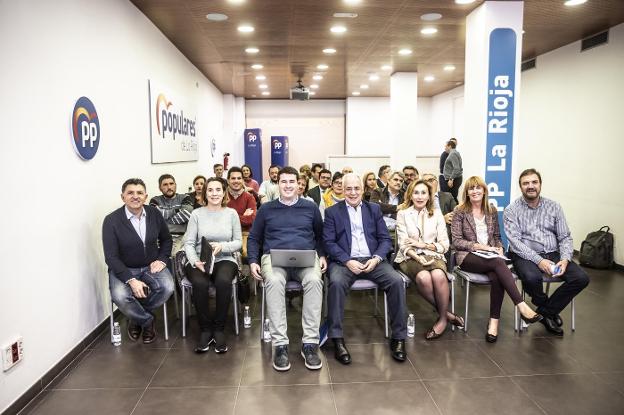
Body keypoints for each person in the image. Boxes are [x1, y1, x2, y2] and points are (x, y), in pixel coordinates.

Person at [247, 166, 327, 372]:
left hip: (306, 259)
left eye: (292, 182)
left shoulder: (310, 208)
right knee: (273, 281)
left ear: (299, 184)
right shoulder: (266, 209)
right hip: (274, 259)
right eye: (284, 182)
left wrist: (323, 255)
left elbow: (320, 236)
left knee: (314, 281)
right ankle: (280, 345)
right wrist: (253, 261)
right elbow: (255, 238)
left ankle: (310, 344)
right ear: (278, 184)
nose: (288, 186)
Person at [323, 173, 407, 364]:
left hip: (373, 259)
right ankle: (337, 339)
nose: (353, 193)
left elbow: (385, 240)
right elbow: (328, 242)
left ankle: (399, 337)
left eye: (356, 188)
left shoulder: (374, 209)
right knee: (335, 283)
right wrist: (347, 260)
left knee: (396, 281)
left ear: (363, 190)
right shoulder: (332, 212)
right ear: (342, 190)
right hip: (345, 261)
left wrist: (377, 258)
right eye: (348, 189)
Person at [451, 176, 543, 342]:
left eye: (478, 188)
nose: (475, 191)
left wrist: (499, 247)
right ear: (467, 192)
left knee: (497, 276)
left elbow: (496, 236)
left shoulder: (491, 210)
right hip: (467, 256)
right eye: (471, 188)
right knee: (498, 264)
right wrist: (481, 247)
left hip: (491, 257)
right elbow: (456, 241)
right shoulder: (460, 211)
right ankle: (522, 306)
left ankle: (493, 323)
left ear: (484, 190)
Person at [504, 168, 589, 336]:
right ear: (520, 187)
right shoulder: (511, 209)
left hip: (553, 253)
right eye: (526, 183)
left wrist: (565, 259)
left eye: (534, 182)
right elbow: (515, 242)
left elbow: (565, 237)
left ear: (540, 185)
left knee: (581, 278)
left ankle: (544, 312)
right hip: (524, 254)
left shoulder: (554, 207)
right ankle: (549, 312)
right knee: (531, 277)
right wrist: (539, 261)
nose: (530, 186)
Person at [102, 178, 175, 344]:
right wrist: (131, 280)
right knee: (120, 296)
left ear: (146, 196)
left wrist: (162, 259)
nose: (135, 196)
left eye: (139, 193)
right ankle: (147, 321)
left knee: (167, 288)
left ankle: (135, 317)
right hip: (124, 269)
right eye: (130, 193)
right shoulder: (111, 221)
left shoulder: (154, 214)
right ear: (122, 197)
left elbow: (167, 240)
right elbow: (111, 257)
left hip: (151, 266)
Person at [394, 179, 462, 340]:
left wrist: (423, 245)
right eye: (416, 192)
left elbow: (445, 245)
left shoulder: (437, 214)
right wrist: (418, 256)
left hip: (434, 255)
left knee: (438, 275)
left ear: (429, 195)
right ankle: (446, 314)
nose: (419, 196)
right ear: (410, 194)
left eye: (423, 192)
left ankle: (443, 319)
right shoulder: (403, 213)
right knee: (424, 277)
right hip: (409, 257)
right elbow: (403, 244)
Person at [183, 177, 242, 353]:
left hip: (224, 259)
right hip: (200, 260)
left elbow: (238, 242)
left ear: (224, 192)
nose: (214, 193)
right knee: (199, 283)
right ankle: (205, 329)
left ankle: (218, 328)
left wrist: (222, 246)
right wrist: (195, 261)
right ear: (204, 192)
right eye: (210, 190)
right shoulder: (196, 214)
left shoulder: (231, 214)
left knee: (223, 282)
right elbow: (189, 243)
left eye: (218, 190)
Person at [149, 174, 193, 251]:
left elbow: (186, 215)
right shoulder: (155, 200)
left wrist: (164, 220)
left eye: (171, 184)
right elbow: (155, 217)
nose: (169, 187)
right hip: (161, 239)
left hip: (181, 238)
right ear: (160, 188)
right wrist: (176, 211)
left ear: (175, 185)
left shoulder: (185, 197)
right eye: (165, 185)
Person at [226, 167, 256, 258]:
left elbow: (250, 220)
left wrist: (229, 216)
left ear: (243, 180)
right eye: (233, 178)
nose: (236, 181)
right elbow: (219, 218)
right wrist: (242, 216)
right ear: (228, 180)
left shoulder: (249, 197)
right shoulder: (222, 196)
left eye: (239, 178)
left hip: (244, 233)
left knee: (245, 255)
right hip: (226, 234)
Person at [421, 173, 456, 239]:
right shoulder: (419, 199)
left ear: (436, 182)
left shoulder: (447, 196)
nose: (428, 183)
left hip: (447, 233)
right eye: (425, 181)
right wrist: (442, 219)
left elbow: (456, 213)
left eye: (430, 180)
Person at [370, 171, 405, 237]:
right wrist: (396, 208)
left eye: (401, 181)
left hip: (396, 231)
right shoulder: (378, 192)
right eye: (395, 179)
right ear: (388, 181)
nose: (398, 182)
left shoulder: (405, 195)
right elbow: (373, 206)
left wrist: (382, 206)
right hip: (378, 230)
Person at [441, 139, 463, 203]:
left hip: (454, 180)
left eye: (446, 146)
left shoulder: (453, 154)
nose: (445, 148)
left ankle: (456, 212)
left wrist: (451, 179)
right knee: (452, 197)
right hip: (454, 179)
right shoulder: (454, 153)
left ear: (450, 146)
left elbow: (456, 168)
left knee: (452, 198)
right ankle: (455, 212)